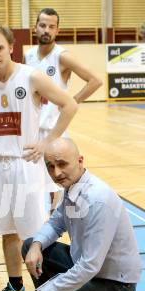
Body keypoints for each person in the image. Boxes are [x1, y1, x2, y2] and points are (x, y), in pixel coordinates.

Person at [0, 24, 78, 291]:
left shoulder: (31, 77)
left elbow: (69, 105)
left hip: (25, 164)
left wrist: (48, 142)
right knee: (8, 231)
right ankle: (15, 287)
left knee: (34, 235)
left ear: (11, 47)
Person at [21, 138, 141, 291]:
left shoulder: (97, 200)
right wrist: (36, 245)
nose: (56, 173)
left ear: (80, 160)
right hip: (88, 269)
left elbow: (89, 266)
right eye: (50, 166)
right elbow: (56, 224)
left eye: (62, 164)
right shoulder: (73, 186)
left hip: (114, 284)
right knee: (30, 244)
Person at [25, 8, 102, 200]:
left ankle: (58, 224)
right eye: (43, 25)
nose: (46, 30)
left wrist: (73, 100)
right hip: (33, 130)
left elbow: (95, 80)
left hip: (55, 130)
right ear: (35, 28)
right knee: (33, 186)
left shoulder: (62, 56)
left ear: (57, 30)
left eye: (51, 27)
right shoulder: (29, 55)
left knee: (57, 185)